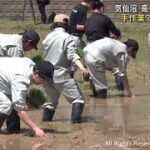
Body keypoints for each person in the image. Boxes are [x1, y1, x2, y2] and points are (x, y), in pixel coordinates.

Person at [42, 14, 88, 123]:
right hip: (60, 74)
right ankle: (77, 127)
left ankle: (45, 124)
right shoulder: (67, 38)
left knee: (50, 102)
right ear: (66, 25)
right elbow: (72, 55)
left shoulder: (47, 37)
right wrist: (82, 67)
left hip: (46, 75)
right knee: (78, 99)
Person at [0, 57, 54, 139]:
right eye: (43, 79)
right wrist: (35, 128)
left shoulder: (31, 64)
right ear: (36, 73)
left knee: (9, 101)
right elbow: (19, 109)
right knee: (6, 104)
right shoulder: (21, 79)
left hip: (3, 78)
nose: (44, 82)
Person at [0, 30, 40, 135]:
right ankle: (13, 129)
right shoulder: (15, 49)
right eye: (32, 46)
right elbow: (16, 76)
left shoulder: (16, 38)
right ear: (28, 42)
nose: (30, 50)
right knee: (12, 98)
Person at [84, 0, 122, 96]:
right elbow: (117, 33)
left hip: (89, 48)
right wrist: (114, 37)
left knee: (94, 73)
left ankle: (95, 95)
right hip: (103, 47)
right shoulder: (105, 18)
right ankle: (122, 92)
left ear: (92, 9)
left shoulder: (87, 20)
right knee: (117, 68)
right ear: (101, 8)